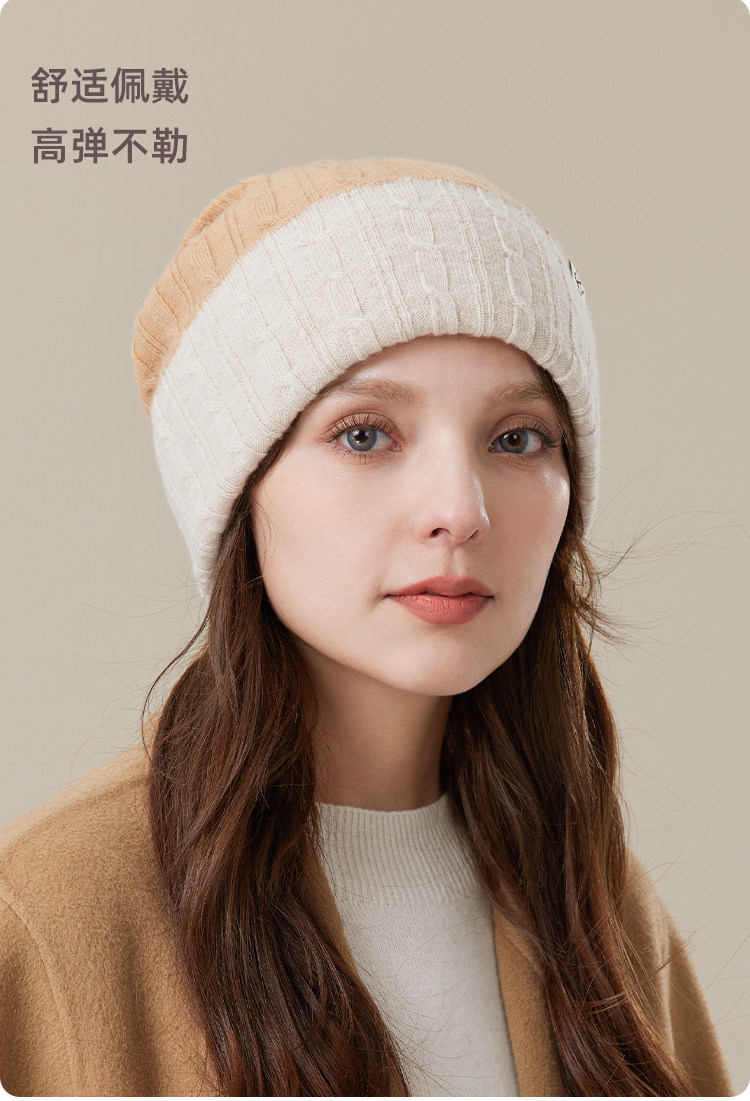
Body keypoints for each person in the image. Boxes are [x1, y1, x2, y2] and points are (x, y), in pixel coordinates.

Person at [0, 156, 732, 1097]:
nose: (460, 510)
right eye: (364, 434)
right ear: (238, 490)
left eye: (517, 438)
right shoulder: (50, 913)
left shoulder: (597, 902)